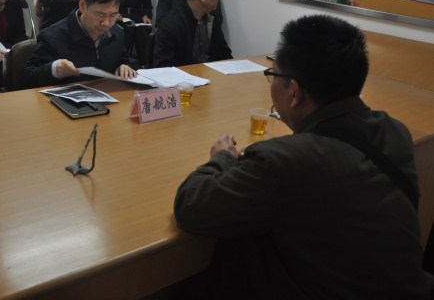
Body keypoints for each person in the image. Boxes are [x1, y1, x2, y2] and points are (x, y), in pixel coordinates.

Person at [173, 15, 430, 299]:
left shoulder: (284, 161)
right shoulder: (395, 133)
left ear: (293, 92)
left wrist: (223, 158)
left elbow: (191, 206)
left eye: (273, 74)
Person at [21, 0, 136, 89]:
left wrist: (125, 66)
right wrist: (54, 69)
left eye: (113, 15)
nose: (106, 23)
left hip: (108, 97)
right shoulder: (53, 36)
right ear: (82, 5)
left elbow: (122, 59)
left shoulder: (117, 34)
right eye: (100, 14)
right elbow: (26, 79)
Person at [153, 0, 232, 67]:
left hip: (211, 74)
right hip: (184, 76)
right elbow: (163, 66)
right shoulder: (171, 24)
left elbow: (225, 55)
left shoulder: (212, 18)